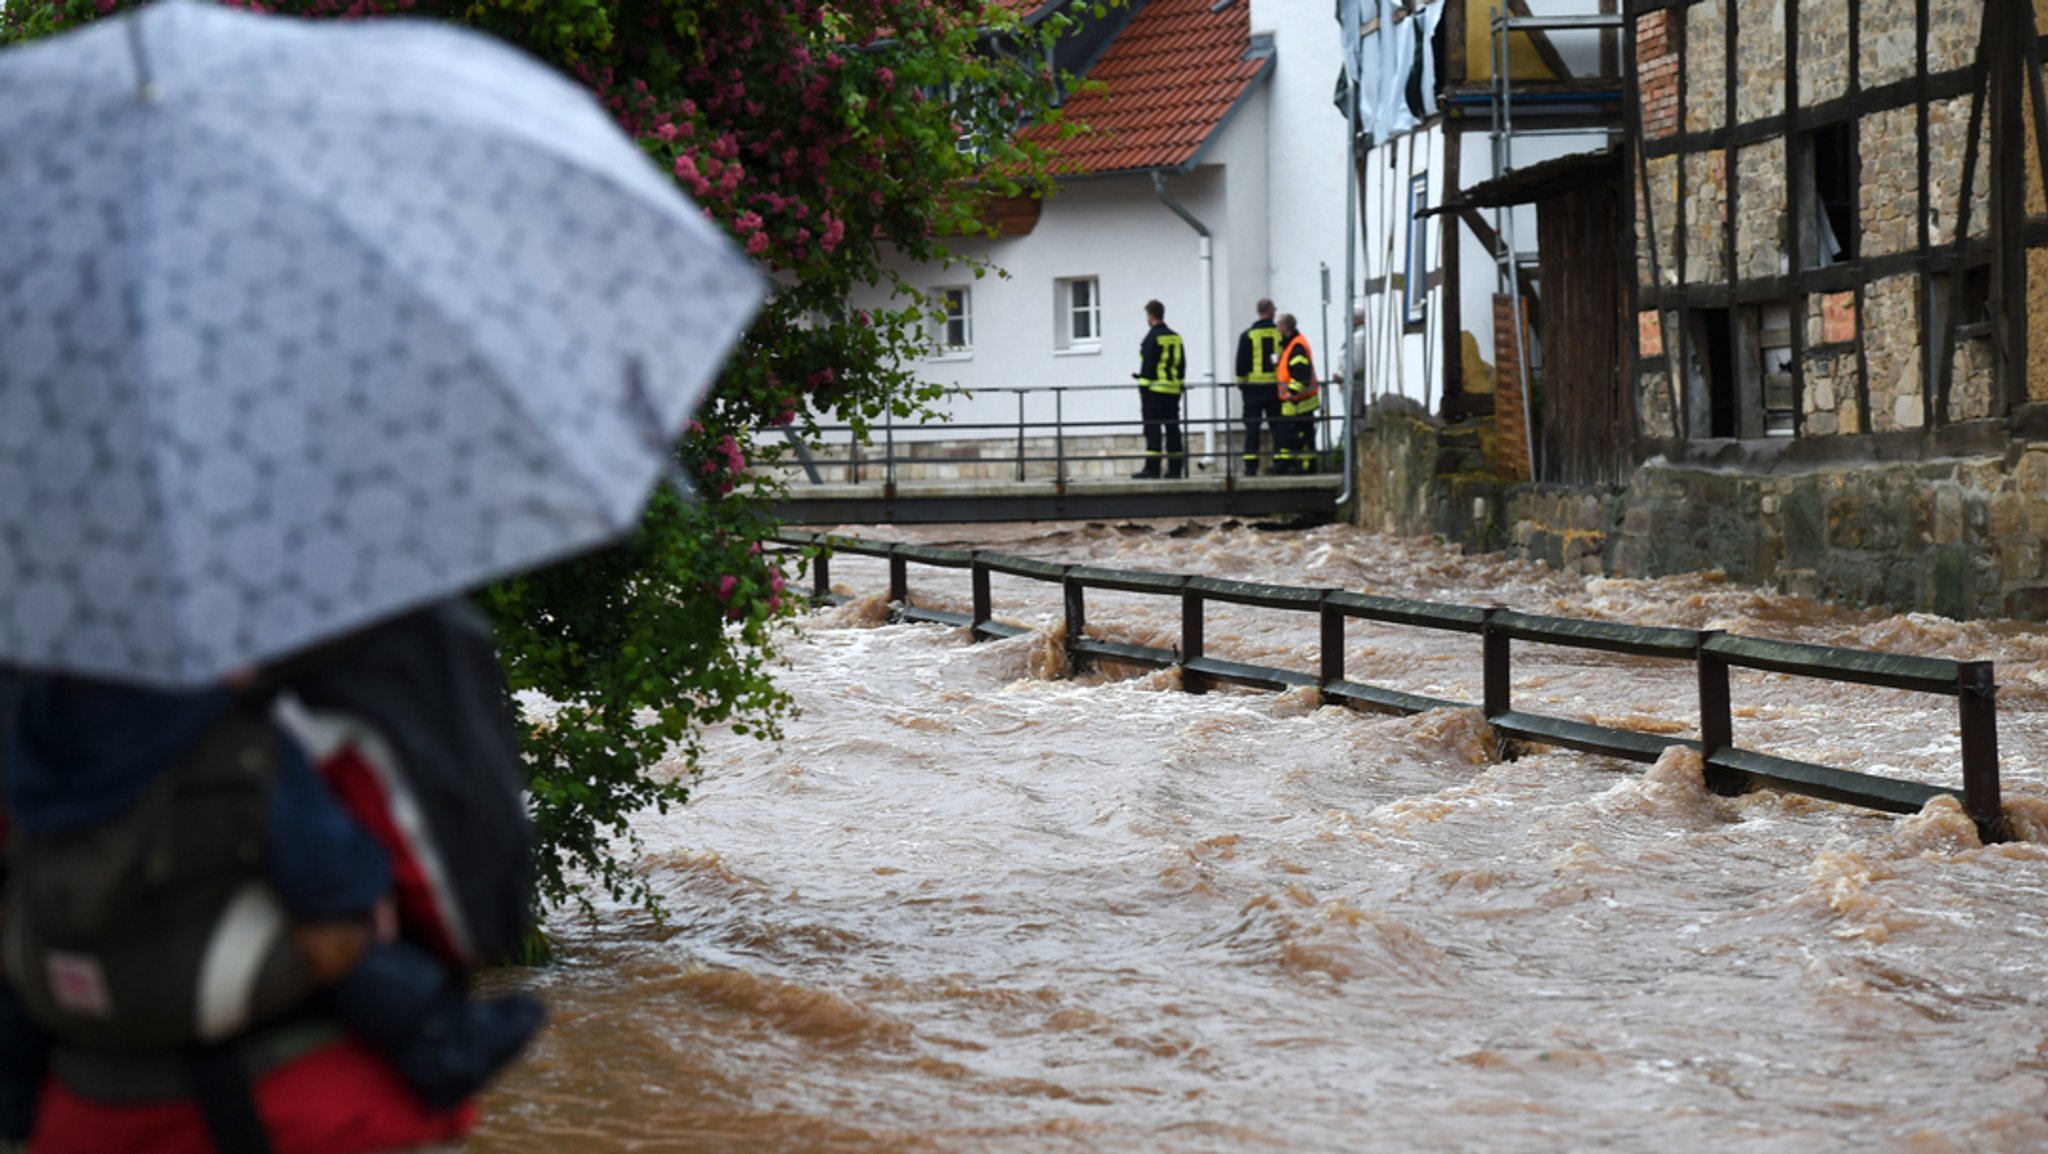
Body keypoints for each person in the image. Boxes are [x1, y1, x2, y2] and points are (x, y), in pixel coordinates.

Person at [0, 600, 542, 1154]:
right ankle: (443, 1042)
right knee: (354, 942)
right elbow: (469, 920)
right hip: (310, 1112)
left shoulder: (33, 717)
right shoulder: (273, 721)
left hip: (81, 1113)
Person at [1130, 299, 1187, 479]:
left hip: (1154, 393)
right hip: (1172, 392)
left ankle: (1153, 469)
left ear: (1150, 315)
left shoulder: (1151, 338)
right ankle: (1175, 469)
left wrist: (1142, 388)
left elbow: (1149, 367)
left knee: (1153, 430)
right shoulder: (1176, 337)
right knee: (1173, 430)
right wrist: (1178, 386)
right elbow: (1181, 365)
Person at [1233, 299, 1282, 476]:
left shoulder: (1247, 335)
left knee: (1252, 428)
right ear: (1269, 311)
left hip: (1252, 389)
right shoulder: (1280, 334)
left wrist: (1242, 385)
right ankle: (1279, 462)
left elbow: (1240, 365)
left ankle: (1251, 466)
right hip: (1275, 388)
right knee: (1277, 426)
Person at [1274, 313, 1322, 475]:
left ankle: (1306, 466)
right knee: (1292, 435)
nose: (1276, 329)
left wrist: (1291, 392)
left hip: (1300, 401)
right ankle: (1288, 463)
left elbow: (1301, 374)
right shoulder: (1290, 344)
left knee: (1304, 436)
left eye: (1278, 325)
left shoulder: (1296, 346)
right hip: (1294, 402)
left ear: (1285, 327)